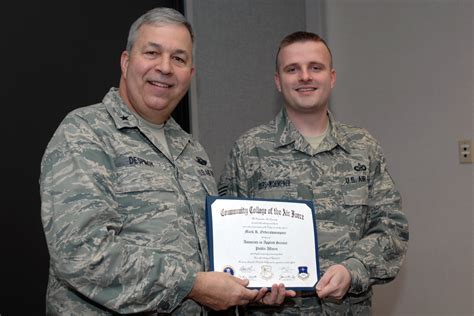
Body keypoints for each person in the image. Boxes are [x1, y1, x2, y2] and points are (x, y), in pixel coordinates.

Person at [40, 7, 286, 315]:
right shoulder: (85, 132)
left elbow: (211, 251)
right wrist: (192, 285)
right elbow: (81, 254)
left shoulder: (192, 150)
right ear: (126, 62)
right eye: (153, 53)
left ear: (190, 74)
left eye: (179, 58)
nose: (165, 68)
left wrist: (250, 285)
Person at [218, 31, 409, 314]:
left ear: (331, 77)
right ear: (278, 82)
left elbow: (392, 229)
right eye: (292, 69)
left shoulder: (362, 147)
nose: (304, 76)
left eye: (315, 67)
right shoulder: (249, 150)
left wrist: (353, 269)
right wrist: (254, 290)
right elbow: (228, 241)